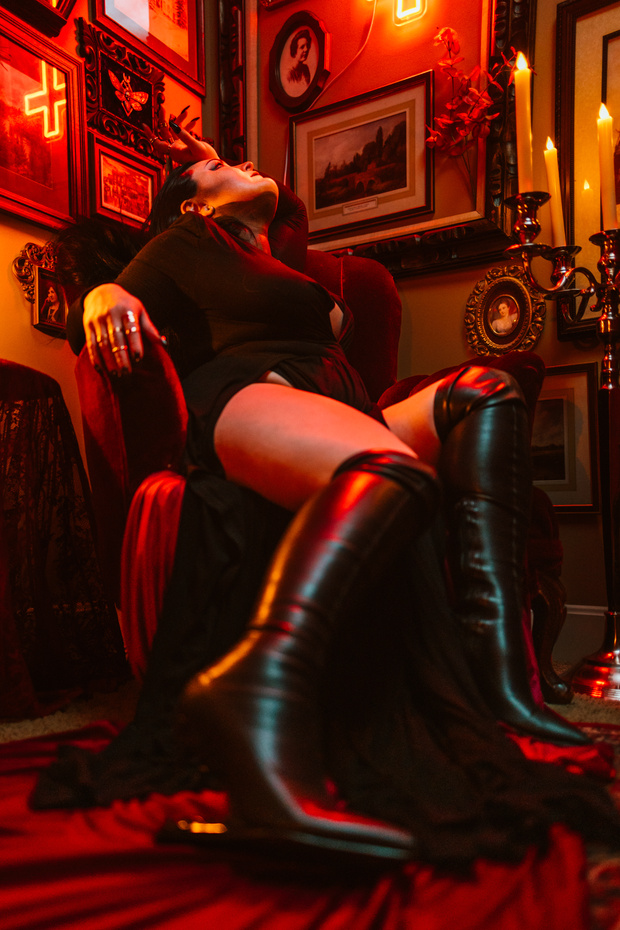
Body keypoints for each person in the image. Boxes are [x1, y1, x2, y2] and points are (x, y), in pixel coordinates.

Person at [38, 115, 620, 869]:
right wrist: (101, 298)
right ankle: (251, 691)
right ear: (191, 204)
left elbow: (283, 217)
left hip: (342, 404)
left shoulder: (268, 257)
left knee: (488, 394)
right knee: (393, 472)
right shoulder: (185, 239)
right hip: (252, 394)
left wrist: (215, 166)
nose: (246, 163)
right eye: (225, 167)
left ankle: (502, 682)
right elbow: (100, 303)